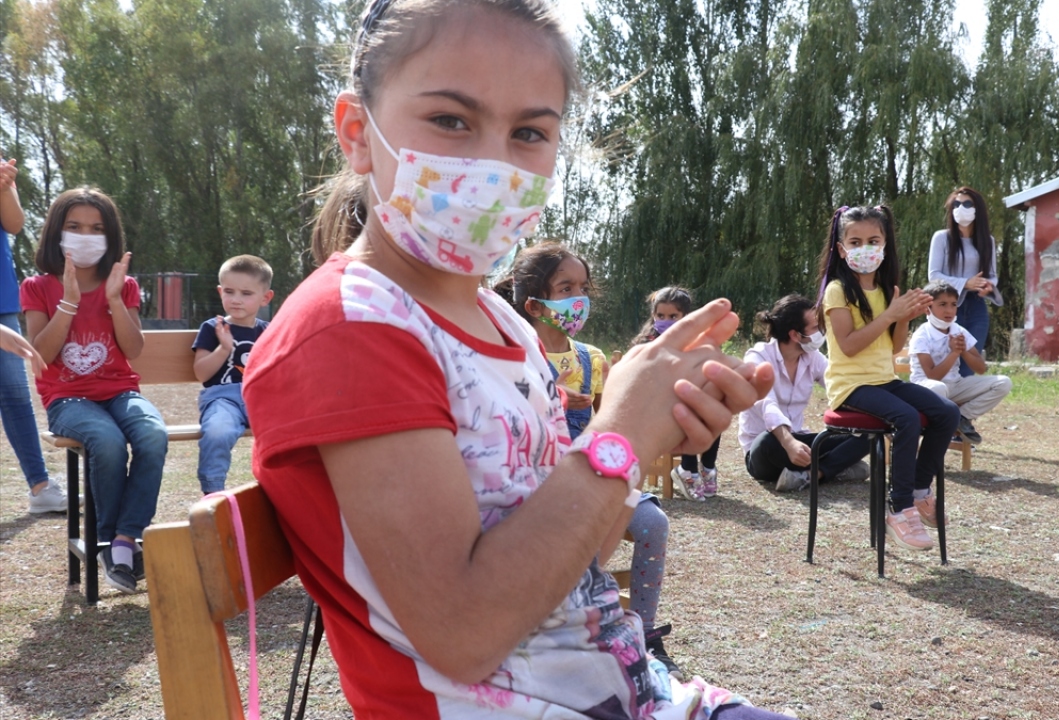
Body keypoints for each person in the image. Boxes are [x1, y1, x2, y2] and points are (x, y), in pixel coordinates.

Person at [241, 2, 781, 718]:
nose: (493, 159)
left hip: (634, 693)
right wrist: (616, 440)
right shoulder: (348, 328)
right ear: (356, 134)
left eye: (529, 132)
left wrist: (651, 426)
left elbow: (569, 569)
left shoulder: (501, 321)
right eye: (451, 120)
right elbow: (466, 636)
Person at [495, 240, 684, 679]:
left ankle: (643, 633)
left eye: (582, 287)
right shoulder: (512, 353)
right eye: (565, 288)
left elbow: (605, 423)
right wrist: (552, 396)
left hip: (594, 474)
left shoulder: (591, 358)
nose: (577, 298)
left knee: (653, 523)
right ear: (535, 304)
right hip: (538, 482)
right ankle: (574, 620)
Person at [19, 186, 168, 594]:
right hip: (67, 399)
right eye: (74, 226)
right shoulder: (36, 286)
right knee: (106, 441)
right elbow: (41, 356)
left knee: (153, 435)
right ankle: (106, 541)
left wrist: (116, 300)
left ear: (110, 237)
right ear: (56, 232)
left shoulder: (125, 283)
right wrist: (68, 302)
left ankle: (125, 538)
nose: (85, 235)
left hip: (120, 392)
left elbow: (134, 349)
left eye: (96, 228)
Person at [817, 204, 959, 552]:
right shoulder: (837, 290)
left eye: (873, 240)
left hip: (883, 379)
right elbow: (848, 347)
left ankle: (919, 490)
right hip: (851, 386)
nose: (865, 248)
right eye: (855, 241)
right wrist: (890, 315)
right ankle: (899, 509)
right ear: (841, 248)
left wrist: (904, 317)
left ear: (884, 245)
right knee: (906, 418)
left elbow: (895, 346)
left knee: (947, 413)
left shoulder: (885, 290)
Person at [739, 294, 869, 492]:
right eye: (816, 328)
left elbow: (840, 386)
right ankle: (836, 467)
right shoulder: (758, 357)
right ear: (795, 335)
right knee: (767, 441)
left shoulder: (813, 357)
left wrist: (873, 409)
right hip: (766, 450)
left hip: (800, 442)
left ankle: (813, 474)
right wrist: (789, 442)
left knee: (868, 434)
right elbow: (767, 404)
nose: (822, 332)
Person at [0, 152, 69, 514]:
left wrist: (7, 186)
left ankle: (40, 486)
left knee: (14, 394)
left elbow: (14, 223)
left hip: (1, 302)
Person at [191, 254, 273, 494]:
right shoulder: (213, 328)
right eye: (229, 291)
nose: (236, 300)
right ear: (220, 292)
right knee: (218, 431)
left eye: (246, 294)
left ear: (265, 298)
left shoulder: (268, 332)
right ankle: (213, 492)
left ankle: (278, 490)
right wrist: (224, 348)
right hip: (222, 399)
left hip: (258, 398)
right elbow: (202, 374)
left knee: (290, 427)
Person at [632, 286, 721, 501]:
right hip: (655, 408)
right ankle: (687, 470)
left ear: (685, 317)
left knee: (712, 412)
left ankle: (707, 467)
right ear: (653, 315)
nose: (666, 320)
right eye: (660, 315)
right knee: (688, 412)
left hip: (683, 400)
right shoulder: (647, 344)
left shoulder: (695, 343)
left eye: (673, 316)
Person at [908, 282, 1012, 445]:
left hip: (955, 385)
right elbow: (933, 376)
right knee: (939, 387)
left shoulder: (958, 330)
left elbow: (981, 368)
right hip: (926, 388)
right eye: (942, 304)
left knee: (1003, 382)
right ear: (928, 307)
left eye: (953, 305)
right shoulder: (922, 335)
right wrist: (954, 353)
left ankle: (961, 418)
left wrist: (963, 351)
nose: (949, 310)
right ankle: (938, 429)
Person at [927, 187, 1002, 377]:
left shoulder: (988, 241)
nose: (961, 208)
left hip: (977, 306)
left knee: (970, 358)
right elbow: (934, 276)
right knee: (946, 358)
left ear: (977, 209)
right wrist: (965, 282)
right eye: (957, 204)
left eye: (967, 204)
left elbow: (992, 275)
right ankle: (943, 403)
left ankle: (963, 405)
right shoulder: (942, 238)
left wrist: (987, 286)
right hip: (947, 305)